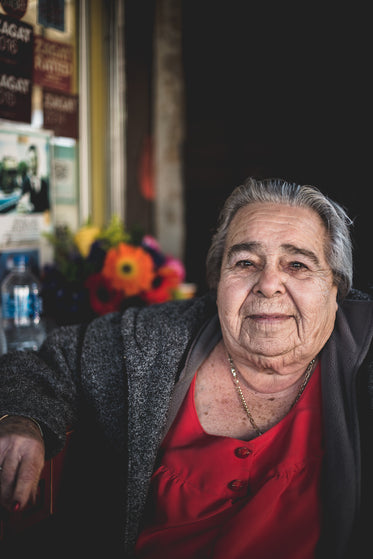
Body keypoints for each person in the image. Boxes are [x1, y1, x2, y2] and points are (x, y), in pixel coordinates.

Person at [0, 177, 372, 559]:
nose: (269, 284)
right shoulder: (156, 339)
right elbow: (46, 362)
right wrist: (22, 419)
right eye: (245, 262)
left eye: (297, 264)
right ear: (217, 280)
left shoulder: (365, 353)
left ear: (335, 288)